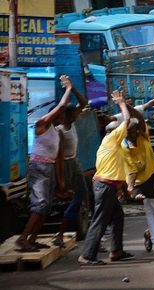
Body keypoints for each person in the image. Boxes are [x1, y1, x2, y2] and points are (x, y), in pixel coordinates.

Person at [15, 75, 72, 252]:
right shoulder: (43, 124)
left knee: (46, 206)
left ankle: (32, 239)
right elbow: (61, 106)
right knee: (39, 205)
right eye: (61, 114)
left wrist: (60, 182)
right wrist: (68, 88)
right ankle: (23, 238)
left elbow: (58, 158)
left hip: (48, 167)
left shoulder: (56, 131)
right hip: (39, 167)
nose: (63, 117)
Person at [78, 90, 134, 265]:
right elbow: (126, 121)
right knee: (100, 221)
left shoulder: (109, 145)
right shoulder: (112, 140)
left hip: (106, 186)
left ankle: (116, 251)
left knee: (118, 216)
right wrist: (121, 103)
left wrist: (124, 190)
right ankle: (87, 255)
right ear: (115, 133)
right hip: (105, 187)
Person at [122, 107, 154, 257]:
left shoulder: (143, 136)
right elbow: (132, 171)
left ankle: (150, 232)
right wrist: (132, 189)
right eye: (128, 133)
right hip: (142, 182)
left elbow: (139, 117)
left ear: (138, 130)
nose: (131, 135)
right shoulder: (125, 148)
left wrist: (126, 106)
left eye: (133, 132)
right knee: (152, 212)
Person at [52, 78, 90, 247]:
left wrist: (73, 87)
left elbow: (83, 103)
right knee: (73, 196)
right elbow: (59, 157)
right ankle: (60, 233)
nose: (76, 115)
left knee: (82, 196)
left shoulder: (71, 124)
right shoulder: (59, 130)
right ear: (65, 116)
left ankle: (68, 230)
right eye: (73, 114)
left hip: (74, 163)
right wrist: (61, 180)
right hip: (66, 165)